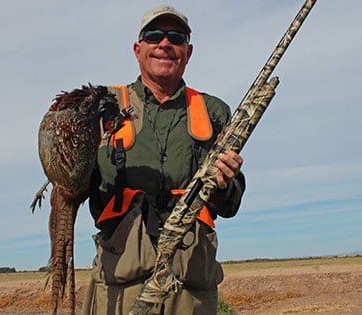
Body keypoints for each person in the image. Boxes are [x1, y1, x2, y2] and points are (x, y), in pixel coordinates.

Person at [82, 5, 246, 314]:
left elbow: (232, 203)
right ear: (137, 48)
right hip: (120, 279)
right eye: (154, 35)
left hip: (189, 284)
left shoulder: (215, 112)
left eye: (177, 37)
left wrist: (225, 182)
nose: (165, 44)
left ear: (188, 51)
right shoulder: (102, 105)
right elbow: (75, 183)